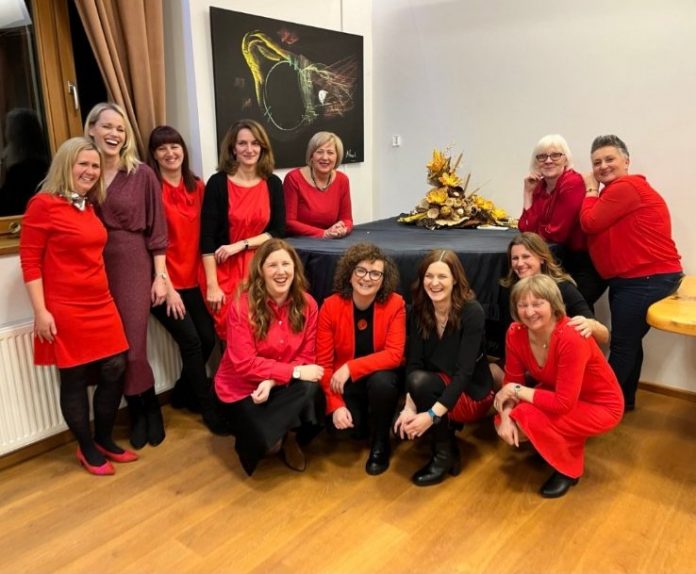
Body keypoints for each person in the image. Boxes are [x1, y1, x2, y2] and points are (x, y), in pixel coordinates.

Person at [19, 136, 136, 475]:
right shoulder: (43, 205)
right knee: (74, 378)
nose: (90, 171)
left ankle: (104, 438)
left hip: (101, 302)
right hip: (65, 306)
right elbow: (30, 261)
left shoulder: (88, 205)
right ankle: (86, 448)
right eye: (83, 164)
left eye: (95, 166)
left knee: (116, 367)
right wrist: (40, 311)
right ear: (65, 166)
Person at [493, 275, 624, 498]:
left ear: (553, 305)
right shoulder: (515, 332)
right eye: (523, 305)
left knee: (524, 416)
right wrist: (505, 416)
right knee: (505, 420)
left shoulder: (571, 336)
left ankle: (568, 470)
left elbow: (560, 402)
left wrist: (515, 391)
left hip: (600, 405)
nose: (529, 311)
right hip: (557, 393)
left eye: (537, 304)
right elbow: (512, 380)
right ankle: (551, 443)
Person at [85, 102, 168, 449]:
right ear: (91, 129)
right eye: (107, 126)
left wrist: (160, 277)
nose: (114, 134)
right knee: (113, 351)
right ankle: (137, 409)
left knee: (133, 348)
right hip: (94, 268)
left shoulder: (142, 174)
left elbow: (158, 231)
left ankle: (149, 411)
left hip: (133, 264)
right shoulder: (83, 172)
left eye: (120, 129)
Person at [580, 135, 683, 411]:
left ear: (626, 161)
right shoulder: (617, 191)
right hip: (635, 280)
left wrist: (590, 189)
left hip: (645, 280)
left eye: (609, 159)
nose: (603, 166)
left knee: (623, 345)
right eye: (597, 162)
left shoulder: (626, 187)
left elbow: (589, 222)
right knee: (629, 343)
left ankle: (599, 407)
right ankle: (623, 401)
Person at [213, 239, 325, 475]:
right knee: (268, 447)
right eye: (272, 265)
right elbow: (244, 364)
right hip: (243, 387)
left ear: (295, 268)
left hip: (277, 383)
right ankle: (270, 437)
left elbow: (307, 355)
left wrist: (273, 379)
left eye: (286, 264)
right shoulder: (242, 306)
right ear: (261, 271)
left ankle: (291, 439)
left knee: (311, 385)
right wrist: (292, 372)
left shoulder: (308, 304)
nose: (281, 271)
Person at [146, 126, 225, 434]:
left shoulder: (198, 186)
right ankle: (208, 408)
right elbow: (151, 242)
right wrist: (167, 286)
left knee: (207, 339)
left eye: (174, 146)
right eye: (162, 148)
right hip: (164, 283)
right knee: (191, 342)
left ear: (183, 149)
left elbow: (209, 233)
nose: (170, 153)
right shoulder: (152, 189)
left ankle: (181, 393)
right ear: (154, 155)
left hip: (195, 279)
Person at [394, 249, 494, 486]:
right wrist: (409, 407)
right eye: (429, 276)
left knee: (421, 385)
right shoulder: (420, 311)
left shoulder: (472, 312)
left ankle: (442, 455)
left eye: (442, 276)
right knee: (415, 383)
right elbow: (414, 364)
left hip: (471, 393)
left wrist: (430, 416)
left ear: (455, 280)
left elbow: (464, 374)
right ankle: (448, 446)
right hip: (438, 384)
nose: (434, 283)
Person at [316, 243, 406, 475]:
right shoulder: (330, 306)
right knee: (344, 431)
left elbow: (395, 355)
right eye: (361, 270)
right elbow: (324, 364)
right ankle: (369, 420)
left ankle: (381, 442)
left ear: (383, 279)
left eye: (375, 273)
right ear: (350, 273)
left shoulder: (396, 304)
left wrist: (350, 367)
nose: (367, 278)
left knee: (382, 382)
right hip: (347, 384)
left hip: (381, 378)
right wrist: (336, 405)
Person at [200, 119, 285, 339]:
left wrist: (241, 245)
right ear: (233, 149)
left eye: (255, 143)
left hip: (261, 266)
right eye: (242, 143)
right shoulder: (218, 183)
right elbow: (207, 239)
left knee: (265, 330)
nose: (249, 149)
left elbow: (278, 231)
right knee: (234, 331)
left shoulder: (273, 183)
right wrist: (212, 285)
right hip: (224, 269)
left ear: (262, 148)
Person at [518, 134, 605, 307]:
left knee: (574, 311)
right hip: (562, 261)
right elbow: (525, 230)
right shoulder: (540, 186)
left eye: (555, 155)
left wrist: (539, 229)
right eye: (542, 156)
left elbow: (556, 233)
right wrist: (528, 192)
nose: (548, 161)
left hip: (586, 263)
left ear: (566, 159)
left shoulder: (572, 182)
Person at [500, 232, 609, 344]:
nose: (519, 263)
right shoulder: (510, 289)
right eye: (515, 258)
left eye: (526, 257)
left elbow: (603, 335)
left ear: (542, 258)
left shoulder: (563, 288)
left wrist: (591, 325)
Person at [283, 131, 353, 238]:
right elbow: (289, 222)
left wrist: (342, 228)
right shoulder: (293, 178)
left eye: (330, 153)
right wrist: (323, 233)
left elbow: (347, 219)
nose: (325, 157)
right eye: (319, 152)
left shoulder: (342, 180)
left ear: (337, 157)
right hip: (299, 241)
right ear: (311, 155)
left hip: (331, 240)